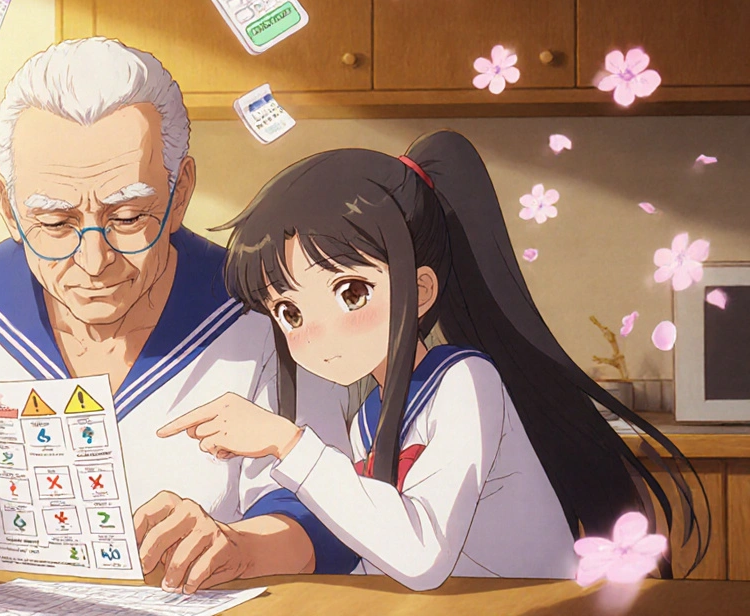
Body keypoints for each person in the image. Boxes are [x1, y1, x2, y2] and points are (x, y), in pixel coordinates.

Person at [0, 37, 360, 586]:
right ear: (7, 206)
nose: (94, 260)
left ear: (180, 193)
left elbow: (333, 517)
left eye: (129, 217)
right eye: (53, 222)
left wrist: (241, 548)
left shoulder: (266, 307)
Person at [158, 129, 710, 592]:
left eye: (351, 293)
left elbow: (422, 556)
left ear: (420, 291)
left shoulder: (466, 382)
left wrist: (288, 443)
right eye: (290, 311)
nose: (317, 334)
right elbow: (376, 553)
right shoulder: (371, 415)